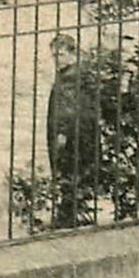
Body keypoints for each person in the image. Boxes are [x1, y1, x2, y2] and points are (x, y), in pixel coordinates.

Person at [46, 34, 101, 229]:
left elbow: (68, 110)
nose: (56, 60)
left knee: (67, 172)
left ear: (72, 54)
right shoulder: (76, 72)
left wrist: (61, 135)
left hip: (71, 137)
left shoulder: (71, 77)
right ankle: (73, 212)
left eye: (60, 55)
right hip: (80, 133)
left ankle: (68, 217)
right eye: (54, 56)